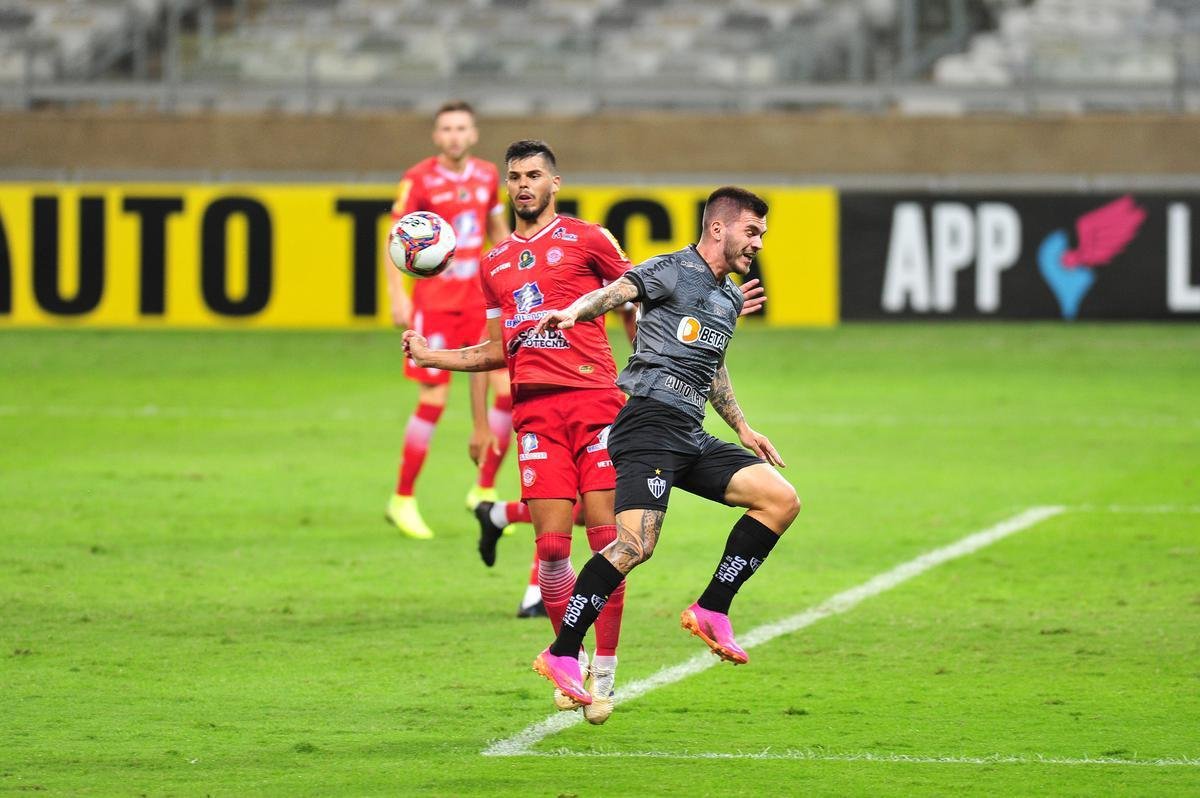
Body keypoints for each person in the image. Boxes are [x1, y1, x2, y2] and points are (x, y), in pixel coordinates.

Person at [526, 186, 801, 708]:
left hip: (689, 431)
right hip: (648, 423)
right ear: (718, 228)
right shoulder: (672, 269)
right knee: (634, 546)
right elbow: (617, 292)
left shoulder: (728, 297)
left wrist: (742, 427)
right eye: (752, 231)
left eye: (762, 234)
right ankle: (562, 652)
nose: (759, 243)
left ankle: (711, 608)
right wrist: (572, 313)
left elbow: (712, 366)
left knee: (780, 500)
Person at [402, 139, 633, 724]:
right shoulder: (494, 264)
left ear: (555, 182)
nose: (523, 184)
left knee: (607, 542)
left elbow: (640, 298)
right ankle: (570, 662)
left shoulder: (589, 239)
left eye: (533, 175)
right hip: (536, 416)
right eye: (515, 177)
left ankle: (606, 673)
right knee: (552, 549)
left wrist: (644, 368)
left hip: (596, 405)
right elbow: (494, 350)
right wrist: (433, 356)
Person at [383, 100, 516, 544]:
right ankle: (403, 498)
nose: (454, 136)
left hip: (479, 302)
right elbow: (395, 237)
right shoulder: (418, 179)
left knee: (507, 391)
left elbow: (498, 232)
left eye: (461, 128)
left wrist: (514, 281)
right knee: (434, 399)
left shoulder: (487, 175)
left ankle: (483, 488)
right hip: (436, 304)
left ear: (473, 134)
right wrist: (398, 295)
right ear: (436, 136)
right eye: (447, 129)